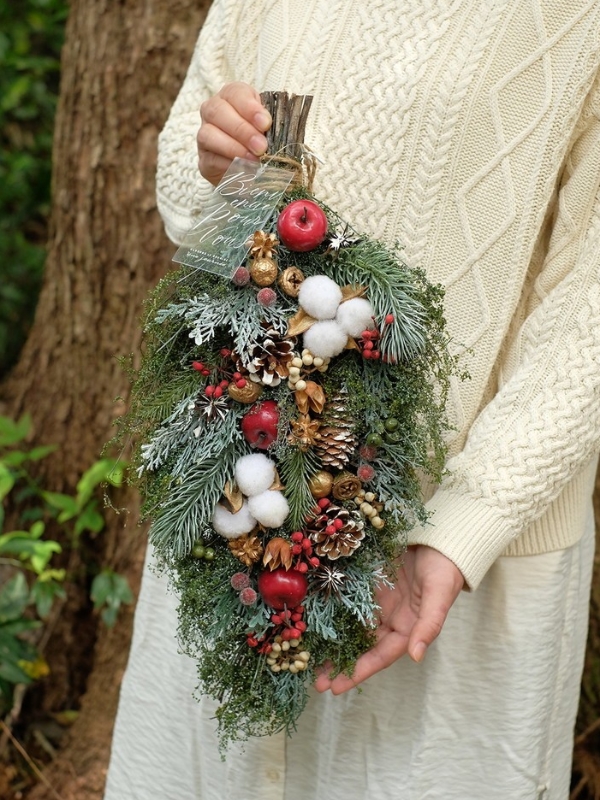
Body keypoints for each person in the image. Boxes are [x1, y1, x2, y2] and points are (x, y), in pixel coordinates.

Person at [104, 2, 600, 798]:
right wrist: (219, 168)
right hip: (238, 503)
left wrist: (466, 525)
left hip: (448, 553)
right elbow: (187, 188)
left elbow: (588, 304)